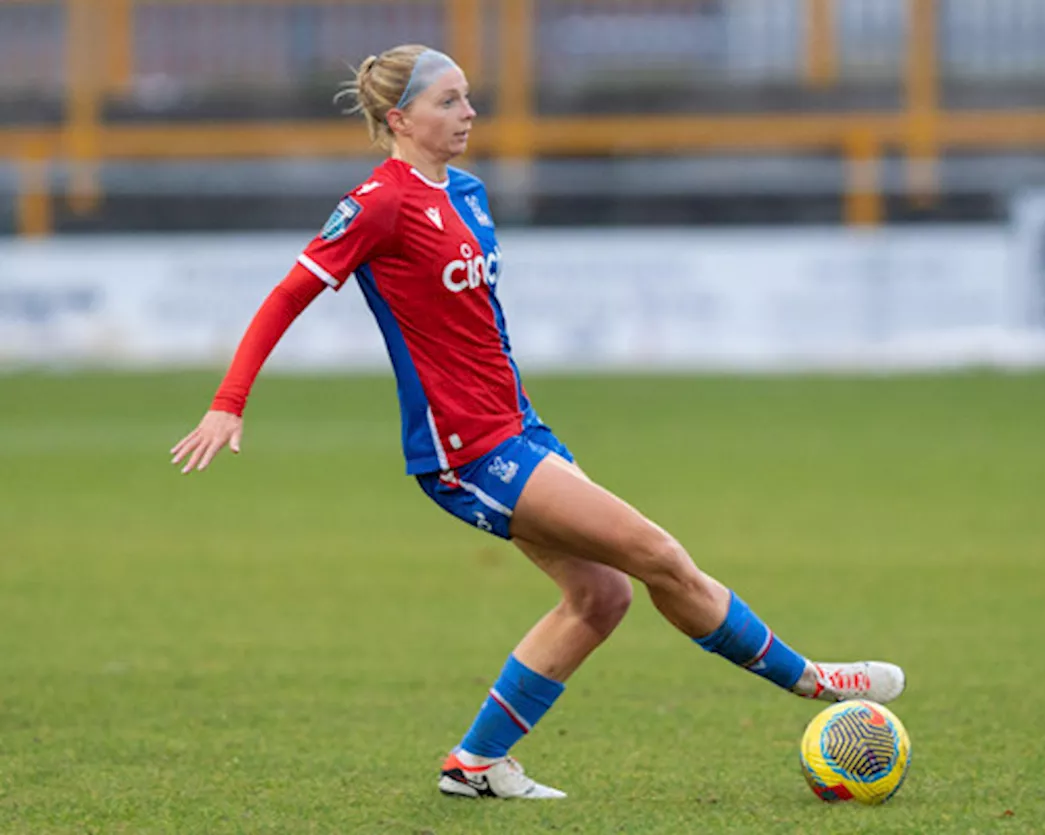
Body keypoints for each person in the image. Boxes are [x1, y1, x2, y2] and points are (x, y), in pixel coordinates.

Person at [169, 44, 906, 801]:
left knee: (604, 596)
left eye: (467, 97)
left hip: (518, 431)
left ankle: (476, 763)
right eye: (450, 101)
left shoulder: (469, 192)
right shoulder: (379, 203)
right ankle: (812, 677)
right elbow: (289, 293)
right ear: (401, 118)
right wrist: (230, 401)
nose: (469, 112)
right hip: (466, 451)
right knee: (657, 552)